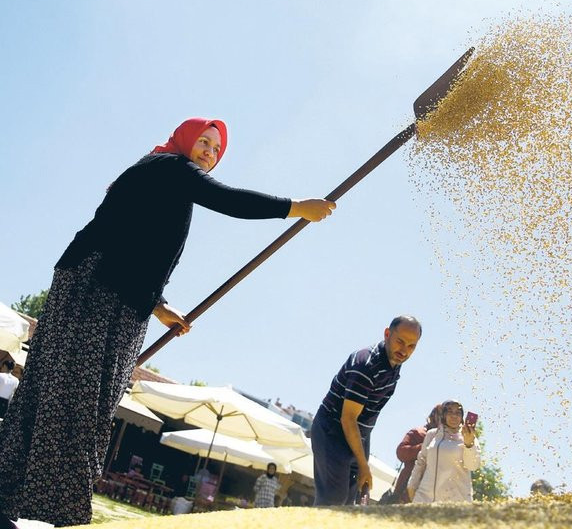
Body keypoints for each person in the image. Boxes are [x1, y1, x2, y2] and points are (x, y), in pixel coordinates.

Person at [0, 118, 335, 528]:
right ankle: (60, 513)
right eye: (205, 142)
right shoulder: (170, 168)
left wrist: (158, 306)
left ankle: (11, 497)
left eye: (217, 149)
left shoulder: (167, 179)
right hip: (95, 290)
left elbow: (135, 243)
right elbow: (228, 200)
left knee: (65, 392)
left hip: (111, 291)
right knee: (79, 397)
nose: (210, 152)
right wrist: (294, 207)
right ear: (184, 140)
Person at [311, 315, 422, 506]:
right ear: (387, 334)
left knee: (348, 503)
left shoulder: (393, 366)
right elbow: (348, 419)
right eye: (400, 341)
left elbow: (368, 415)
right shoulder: (366, 365)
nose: (404, 350)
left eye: (411, 346)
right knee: (333, 501)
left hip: (357, 435)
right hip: (332, 432)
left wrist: (363, 456)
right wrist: (363, 465)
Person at [406, 400, 480, 503]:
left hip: (455, 502)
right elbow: (421, 462)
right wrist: (411, 485)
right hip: (423, 499)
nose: (454, 416)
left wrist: (469, 444)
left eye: (458, 413)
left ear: (462, 417)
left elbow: (473, 465)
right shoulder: (432, 434)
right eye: (449, 411)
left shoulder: (469, 439)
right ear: (443, 415)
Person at [390, 404, 442, 503]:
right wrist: (425, 446)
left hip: (431, 496)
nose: (442, 419)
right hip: (405, 492)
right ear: (434, 415)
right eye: (441, 414)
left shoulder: (447, 442)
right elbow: (400, 452)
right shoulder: (418, 432)